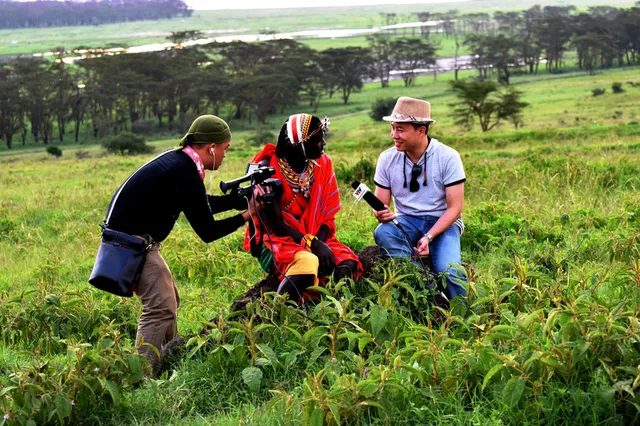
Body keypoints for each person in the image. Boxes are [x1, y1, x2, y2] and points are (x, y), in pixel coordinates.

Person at [105, 115, 262, 375]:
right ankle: (144, 376)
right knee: (160, 306)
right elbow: (208, 231)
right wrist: (247, 215)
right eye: (225, 149)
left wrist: (238, 201)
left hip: (135, 240)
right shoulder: (185, 171)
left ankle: (168, 359)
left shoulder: (181, 163)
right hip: (132, 244)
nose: (225, 156)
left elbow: (199, 203)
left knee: (169, 299)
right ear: (211, 147)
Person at [244, 113, 362, 302]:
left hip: (314, 236)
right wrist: (314, 246)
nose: (323, 143)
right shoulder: (267, 169)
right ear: (300, 145)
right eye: (317, 140)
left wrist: (320, 244)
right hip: (275, 241)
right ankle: (280, 313)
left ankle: (335, 309)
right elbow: (276, 227)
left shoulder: (323, 164)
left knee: (347, 263)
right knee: (308, 266)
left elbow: (327, 216)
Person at [371, 97, 467, 300]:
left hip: (443, 223)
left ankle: (465, 317)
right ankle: (430, 291)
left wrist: (429, 237)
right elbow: (380, 205)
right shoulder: (387, 159)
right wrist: (380, 213)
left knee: (451, 272)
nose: (394, 135)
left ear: (421, 130)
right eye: (392, 128)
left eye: (401, 130)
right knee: (383, 232)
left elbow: (454, 208)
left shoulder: (448, 157)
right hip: (407, 220)